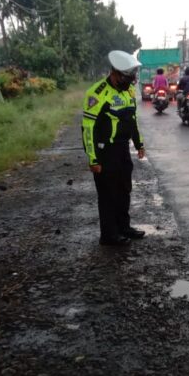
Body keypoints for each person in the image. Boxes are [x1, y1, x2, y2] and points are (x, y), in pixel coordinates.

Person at [82, 50, 146, 247]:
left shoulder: (127, 91)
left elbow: (132, 120)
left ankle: (123, 227)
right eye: (127, 77)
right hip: (105, 151)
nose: (131, 82)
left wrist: (139, 143)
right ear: (115, 74)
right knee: (108, 195)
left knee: (124, 190)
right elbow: (87, 128)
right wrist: (93, 159)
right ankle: (109, 235)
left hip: (122, 150)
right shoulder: (97, 93)